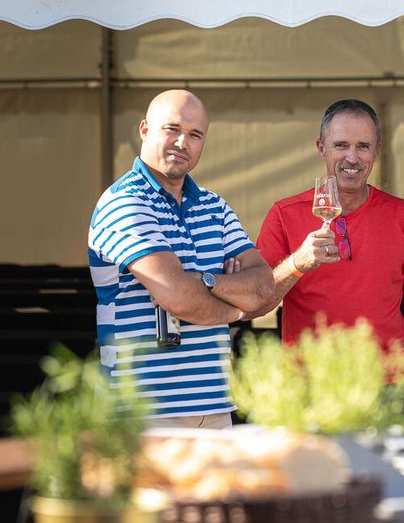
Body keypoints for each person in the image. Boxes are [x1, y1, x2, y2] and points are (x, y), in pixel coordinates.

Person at [88, 90, 275, 428]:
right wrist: (235, 308)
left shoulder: (214, 205)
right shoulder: (124, 202)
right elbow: (175, 296)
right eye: (171, 129)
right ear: (144, 129)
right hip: (142, 410)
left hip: (216, 404)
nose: (181, 142)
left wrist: (205, 282)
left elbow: (264, 288)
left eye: (194, 134)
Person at [253, 99, 404, 379]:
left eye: (363, 146)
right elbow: (257, 303)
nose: (352, 157)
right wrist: (297, 263)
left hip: (386, 387)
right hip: (310, 387)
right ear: (321, 148)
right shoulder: (284, 213)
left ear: (377, 151)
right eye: (341, 145)